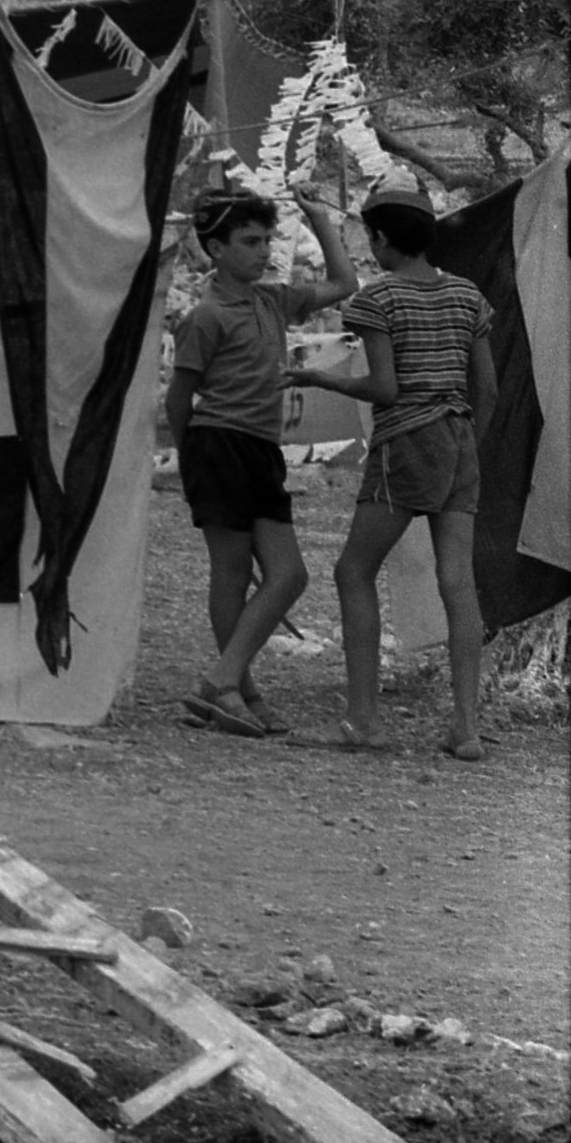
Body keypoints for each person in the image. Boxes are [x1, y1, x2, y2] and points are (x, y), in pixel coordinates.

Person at [167, 187, 345, 734]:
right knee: (232, 570)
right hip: (217, 445)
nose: (263, 250)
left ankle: (222, 681)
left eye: (266, 239)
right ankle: (239, 692)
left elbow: (345, 285)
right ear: (216, 249)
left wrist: (320, 221)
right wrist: (189, 466)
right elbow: (179, 399)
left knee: (288, 574)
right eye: (249, 241)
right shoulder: (206, 316)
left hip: (261, 449)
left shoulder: (274, 300)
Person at [334, 191, 494, 759]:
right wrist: (466, 440)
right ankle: (466, 726)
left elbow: (383, 389)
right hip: (459, 439)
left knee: (354, 570)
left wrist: (319, 380)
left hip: (405, 443)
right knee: (458, 581)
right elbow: (489, 391)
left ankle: (364, 719)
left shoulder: (380, 299)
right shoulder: (466, 295)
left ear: (380, 240)